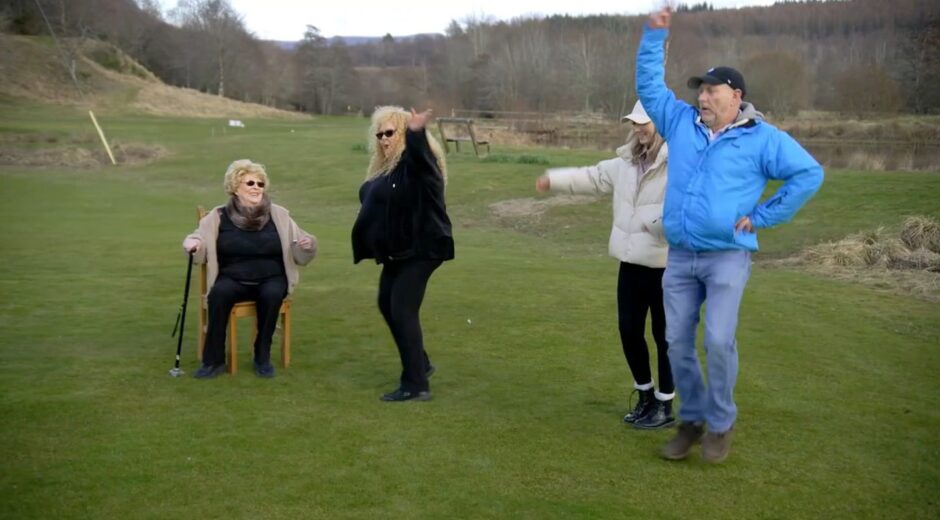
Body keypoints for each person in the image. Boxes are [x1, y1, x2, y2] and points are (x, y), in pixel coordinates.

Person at [637, 7, 824, 462]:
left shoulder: (763, 139)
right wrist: (652, 36)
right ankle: (694, 418)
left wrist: (764, 216)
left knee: (718, 340)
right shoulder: (679, 122)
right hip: (680, 256)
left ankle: (721, 423)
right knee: (676, 342)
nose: (702, 97)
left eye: (711, 90)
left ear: (736, 96)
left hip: (727, 257)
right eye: (700, 90)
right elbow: (648, 87)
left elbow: (808, 174)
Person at [535, 100, 675, 430]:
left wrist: (654, 223)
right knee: (629, 330)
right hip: (631, 263)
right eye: (634, 123)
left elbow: (686, 209)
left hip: (667, 264)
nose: (638, 128)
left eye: (644, 122)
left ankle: (665, 405)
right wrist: (553, 180)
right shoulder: (624, 164)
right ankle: (645, 396)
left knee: (665, 336)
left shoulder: (678, 163)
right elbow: (591, 177)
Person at [351, 106, 454, 402]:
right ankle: (420, 363)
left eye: (390, 133)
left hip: (422, 248)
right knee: (386, 303)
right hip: (397, 251)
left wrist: (416, 131)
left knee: (402, 308)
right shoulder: (385, 168)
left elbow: (422, 159)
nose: (384, 139)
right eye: (379, 134)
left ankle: (415, 384)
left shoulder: (416, 163)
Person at [182, 159, 317, 379]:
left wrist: (309, 244)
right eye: (250, 183)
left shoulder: (279, 214)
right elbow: (198, 236)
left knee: (272, 294)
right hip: (233, 278)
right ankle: (213, 361)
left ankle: (261, 356)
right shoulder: (217, 216)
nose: (256, 187)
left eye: (260, 184)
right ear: (236, 188)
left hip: (271, 277)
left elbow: (303, 239)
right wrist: (192, 244)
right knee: (218, 295)